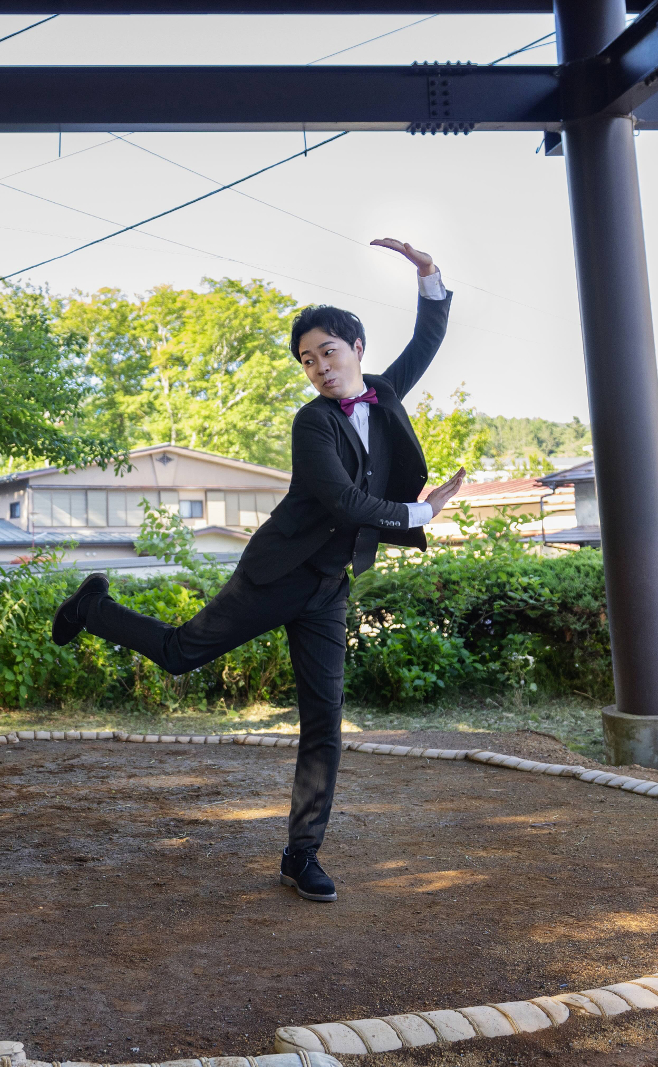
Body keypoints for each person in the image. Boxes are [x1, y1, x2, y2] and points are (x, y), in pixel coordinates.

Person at [49, 238, 465, 903]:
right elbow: (343, 502)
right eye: (307, 360)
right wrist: (419, 515)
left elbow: (428, 338)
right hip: (276, 576)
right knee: (183, 654)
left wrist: (428, 275)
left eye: (328, 351)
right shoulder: (313, 423)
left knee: (324, 722)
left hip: (330, 588)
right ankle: (93, 606)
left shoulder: (384, 395)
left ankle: (302, 855)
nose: (319, 367)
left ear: (356, 347)